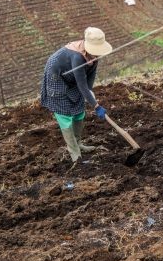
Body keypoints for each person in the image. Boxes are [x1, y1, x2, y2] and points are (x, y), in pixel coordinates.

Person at [40, 27, 113, 163]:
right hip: (57, 77)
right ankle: (75, 154)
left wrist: (90, 95)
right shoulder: (77, 56)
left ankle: (78, 143)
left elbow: (88, 83)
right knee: (65, 114)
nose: (96, 55)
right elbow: (81, 85)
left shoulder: (94, 57)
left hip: (73, 78)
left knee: (79, 110)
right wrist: (96, 106)